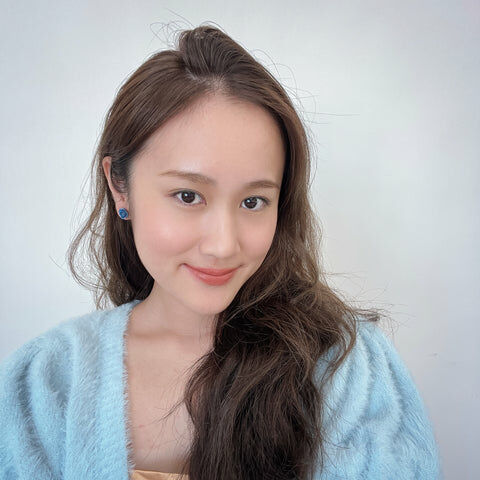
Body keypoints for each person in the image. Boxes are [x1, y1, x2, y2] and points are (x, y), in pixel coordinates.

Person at [0, 24, 442, 480]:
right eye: (188, 196)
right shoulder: (44, 385)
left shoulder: (344, 367)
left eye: (253, 202)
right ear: (119, 186)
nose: (223, 245)